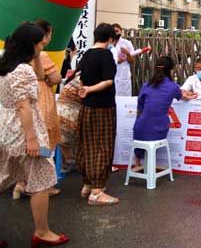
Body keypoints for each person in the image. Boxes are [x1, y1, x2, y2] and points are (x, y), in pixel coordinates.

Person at [0, 22, 69, 246]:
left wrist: (37, 55)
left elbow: (39, 75)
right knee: (41, 179)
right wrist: (31, 139)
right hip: (24, 130)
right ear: (30, 44)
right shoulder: (23, 70)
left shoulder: (6, 65)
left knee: (3, 177)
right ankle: (42, 231)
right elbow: (24, 106)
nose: (43, 46)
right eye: (40, 43)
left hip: (6, 128)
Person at [13, 20, 62, 199]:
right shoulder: (40, 56)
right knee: (43, 142)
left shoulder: (13, 58)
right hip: (40, 101)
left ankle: (20, 183)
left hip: (14, 110)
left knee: (24, 146)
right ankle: (39, 186)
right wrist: (49, 79)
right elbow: (54, 78)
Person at [72, 23, 119, 205]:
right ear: (110, 39)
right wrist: (90, 89)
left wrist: (84, 89)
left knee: (85, 144)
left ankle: (87, 184)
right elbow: (108, 81)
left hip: (86, 107)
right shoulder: (105, 55)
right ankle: (97, 191)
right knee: (102, 146)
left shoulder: (87, 54)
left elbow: (81, 78)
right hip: (103, 107)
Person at [132, 56, 196, 168]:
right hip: (159, 127)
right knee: (153, 142)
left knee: (140, 135)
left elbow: (139, 107)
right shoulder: (173, 86)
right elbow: (182, 97)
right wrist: (192, 96)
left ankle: (137, 163)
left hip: (140, 126)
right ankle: (150, 167)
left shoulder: (146, 85)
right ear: (171, 70)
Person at [111, 23, 150, 97]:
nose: (115, 33)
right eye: (113, 31)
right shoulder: (108, 43)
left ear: (121, 31)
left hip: (123, 77)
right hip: (111, 76)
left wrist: (127, 53)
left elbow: (132, 61)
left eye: (117, 31)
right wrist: (117, 61)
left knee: (124, 99)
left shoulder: (127, 43)